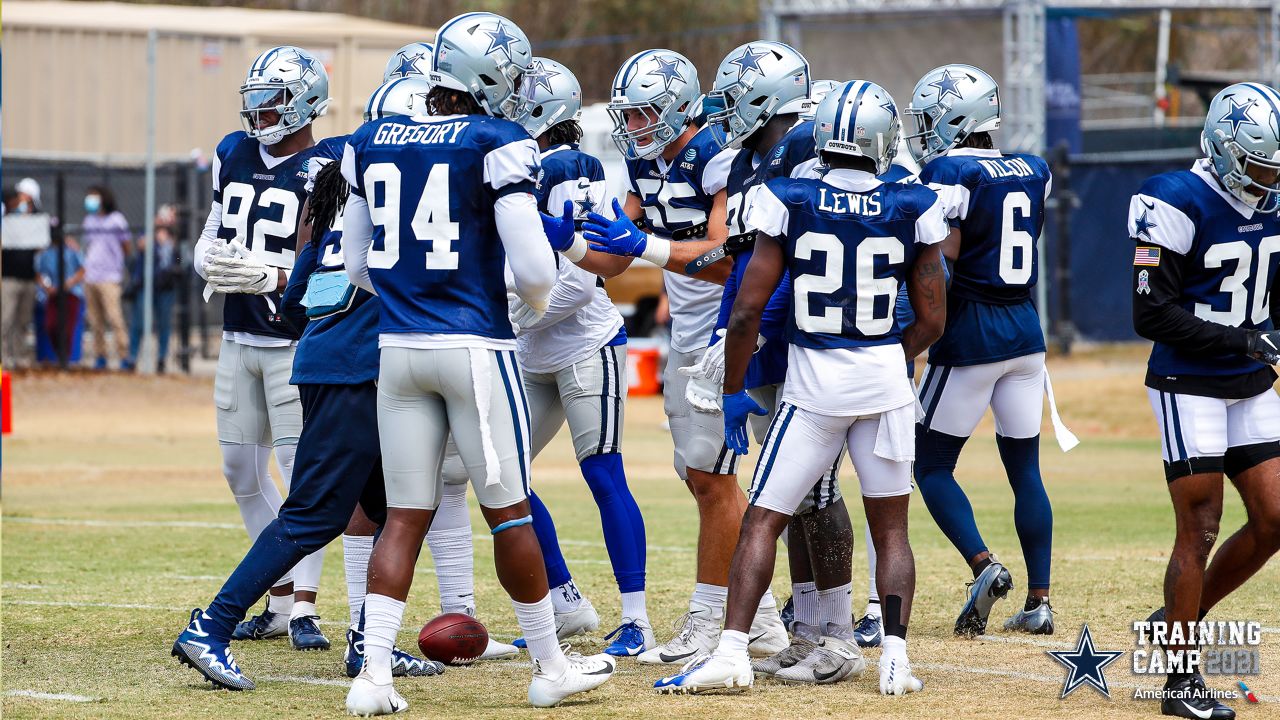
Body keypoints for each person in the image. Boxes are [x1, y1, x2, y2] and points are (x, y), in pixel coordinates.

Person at [339, 13, 615, 713]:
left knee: (404, 513)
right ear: (488, 76)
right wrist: (507, 297)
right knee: (511, 514)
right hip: (473, 347)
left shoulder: (371, 138)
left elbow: (355, 263)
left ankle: (373, 679)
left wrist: (412, 295)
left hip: (397, 349)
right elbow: (531, 269)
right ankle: (551, 666)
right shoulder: (497, 140)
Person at [655, 81, 945, 696]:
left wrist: (734, 390)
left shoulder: (788, 197)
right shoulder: (913, 202)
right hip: (883, 382)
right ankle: (894, 657)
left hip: (813, 388)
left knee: (763, 519)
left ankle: (732, 652)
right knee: (892, 528)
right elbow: (933, 319)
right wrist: (888, 358)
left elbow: (746, 312)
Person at [172, 77, 445, 693]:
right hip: (357, 372)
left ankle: (367, 642)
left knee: (390, 509)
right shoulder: (397, 213)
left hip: (328, 362)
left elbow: (299, 300)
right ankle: (210, 626)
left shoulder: (341, 204)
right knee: (314, 512)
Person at [428, 57, 654, 656]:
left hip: (584, 341)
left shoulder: (569, 168)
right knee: (501, 474)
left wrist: (510, 312)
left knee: (603, 472)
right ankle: (565, 600)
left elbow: (581, 279)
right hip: (529, 347)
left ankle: (637, 620)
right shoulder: (508, 159)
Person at [572, 47, 787, 666]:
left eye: (642, 115)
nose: (632, 128)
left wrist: (647, 245)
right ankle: (766, 619)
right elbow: (615, 254)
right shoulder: (647, 166)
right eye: (628, 116)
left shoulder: (716, 155)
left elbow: (728, 259)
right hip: (687, 338)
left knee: (712, 476)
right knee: (697, 473)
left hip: (729, 335)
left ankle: (707, 616)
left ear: (675, 107)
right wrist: (564, 245)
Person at [680, 43, 867, 684]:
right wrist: (729, 337)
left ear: (766, 98)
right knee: (792, 490)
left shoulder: (811, 147)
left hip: (817, 339)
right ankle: (811, 624)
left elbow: (802, 267)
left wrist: (754, 337)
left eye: (735, 100)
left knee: (814, 488)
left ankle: (837, 632)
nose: (726, 114)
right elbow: (751, 257)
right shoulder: (753, 160)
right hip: (773, 337)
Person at [904, 64, 1075, 638]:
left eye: (931, 119)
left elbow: (940, 248)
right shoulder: (1033, 168)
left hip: (972, 331)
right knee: (1026, 469)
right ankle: (1041, 600)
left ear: (956, 118)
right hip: (1026, 332)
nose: (924, 131)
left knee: (927, 464)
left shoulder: (948, 170)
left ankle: (984, 564)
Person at [1129, 82, 1280, 720]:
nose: (1267, 180)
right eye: (1257, 166)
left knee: (1275, 518)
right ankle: (1180, 685)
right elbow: (1150, 313)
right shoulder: (1172, 200)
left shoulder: (1272, 201)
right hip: (1189, 380)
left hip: (1248, 380)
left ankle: (1178, 620)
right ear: (1221, 148)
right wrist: (1244, 340)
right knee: (1200, 529)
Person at [190, 45, 337, 651]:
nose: (260, 111)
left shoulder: (331, 165)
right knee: (239, 471)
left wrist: (273, 276)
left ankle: (305, 606)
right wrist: (210, 261)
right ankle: (277, 601)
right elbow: (211, 231)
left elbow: (334, 270)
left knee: (302, 476)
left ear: (305, 102)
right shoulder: (234, 151)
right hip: (237, 335)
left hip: (292, 343)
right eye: (255, 98)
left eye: (273, 99)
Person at [79, 185, 133, 370]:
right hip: (91, 276)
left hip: (110, 276)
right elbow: (88, 245)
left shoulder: (116, 220)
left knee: (114, 318)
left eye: (94, 197)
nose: (90, 201)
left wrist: (116, 263)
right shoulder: (89, 220)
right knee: (95, 321)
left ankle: (124, 356)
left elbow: (126, 246)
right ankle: (100, 356)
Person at [126, 220, 182, 373]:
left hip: (165, 288)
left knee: (164, 324)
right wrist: (154, 235)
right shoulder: (148, 233)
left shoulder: (173, 237)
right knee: (138, 323)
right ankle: (132, 358)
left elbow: (179, 260)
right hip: (145, 286)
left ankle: (161, 359)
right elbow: (141, 245)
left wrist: (167, 241)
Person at [2, 183, 40, 369]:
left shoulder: (34, 220)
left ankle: (20, 357)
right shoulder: (6, 219)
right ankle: (4, 356)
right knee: (5, 319)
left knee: (23, 321)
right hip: (8, 278)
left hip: (28, 279)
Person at [35, 236, 86, 364]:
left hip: (71, 293)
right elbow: (39, 274)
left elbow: (82, 270)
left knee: (68, 329)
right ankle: (58, 355)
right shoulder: (46, 254)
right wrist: (48, 288)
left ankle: (67, 360)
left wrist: (69, 283)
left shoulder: (72, 250)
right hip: (53, 294)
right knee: (50, 325)